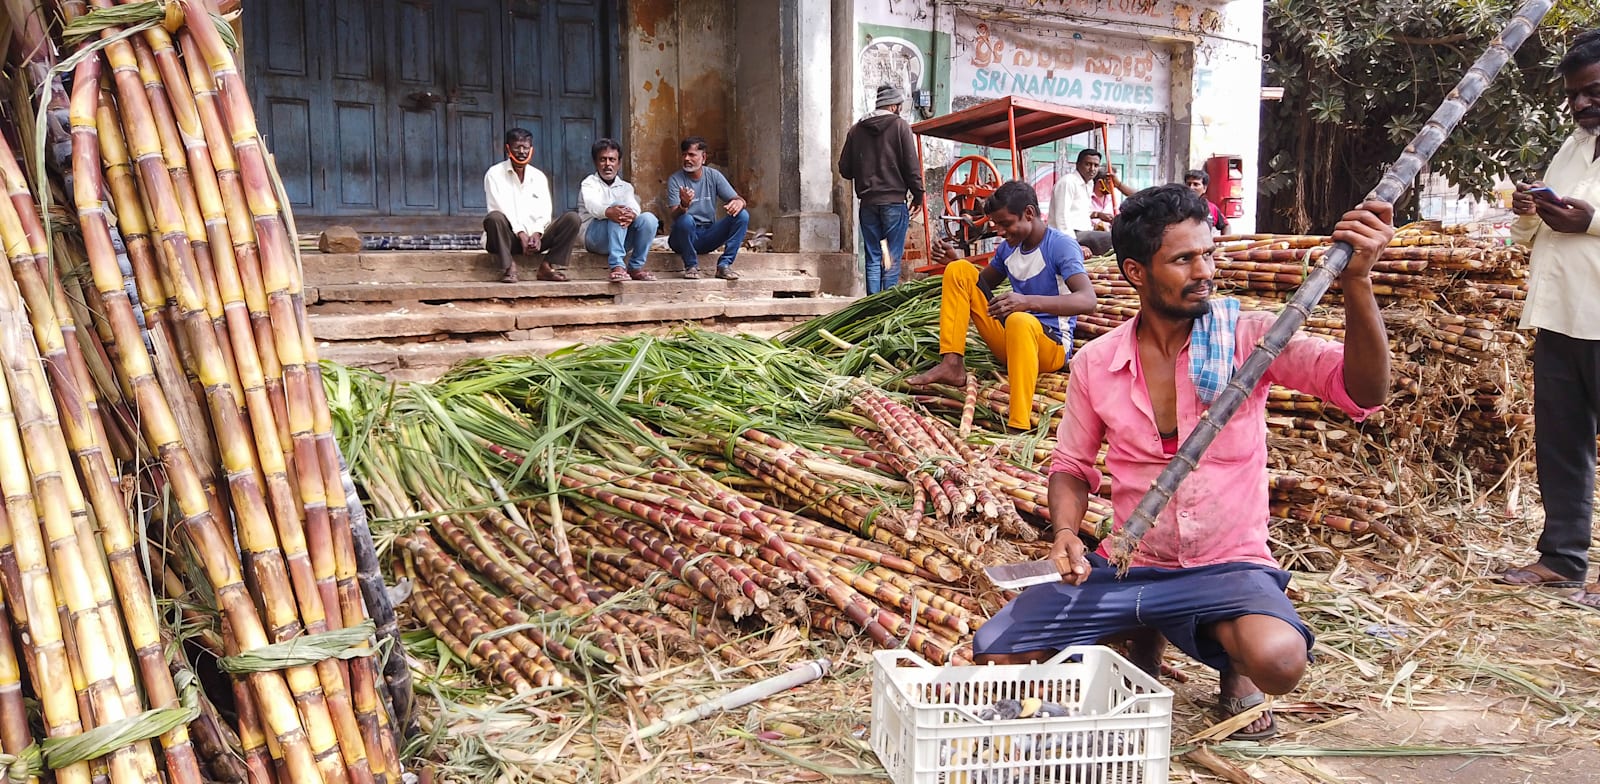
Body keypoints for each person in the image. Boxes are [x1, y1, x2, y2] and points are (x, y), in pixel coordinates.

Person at [973, 184, 1396, 741]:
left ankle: (1233, 664)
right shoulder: (1098, 364)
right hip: (1133, 564)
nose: (1205, 271)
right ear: (1135, 272)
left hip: (1228, 567)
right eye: (1183, 258)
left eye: (1209, 253)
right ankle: (1142, 632)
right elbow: (1072, 466)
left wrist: (1358, 283)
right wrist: (1065, 534)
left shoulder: (1251, 338)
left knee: (1281, 660)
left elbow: (1365, 392)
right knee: (997, 651)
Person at [1495, 30, 1600, 608]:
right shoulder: (1573, 147)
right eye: (1575, 96)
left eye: (1594, 91)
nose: (1583, 104)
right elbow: (1534, 232)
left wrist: (1586, 220)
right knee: (1562, 444)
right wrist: (1530, 209)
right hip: (1561, 316)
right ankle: (1562, 560)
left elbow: (1585, 220)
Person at [906, 180, 1096, 430]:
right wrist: (955, 261)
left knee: (1019, 319)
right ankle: (952, 364)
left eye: (1006, 224)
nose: (1000, 232)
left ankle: (1019, 422)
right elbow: (978, 285)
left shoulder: (1060, 245)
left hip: (1050, 347)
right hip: (1010, 342)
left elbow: (1087, 299)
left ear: (1029, 213)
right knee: (959, 270)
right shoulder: (1008, 249)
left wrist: (1027, 302)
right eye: (996, 225)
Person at [839, 84, 925, 294]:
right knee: (891, 257)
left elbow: (845, 169)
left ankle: (872, 308)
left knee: (874, 256)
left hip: (868, 204)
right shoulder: (900, 126)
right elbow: (911, 165)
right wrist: (918, 193)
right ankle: (887, 309)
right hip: (894, 203)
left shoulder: (856, 130)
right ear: (894, 106)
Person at [483, 128, 580, 284]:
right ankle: (509, 266)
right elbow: (499, 208)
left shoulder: (538, 176)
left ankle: (547, 266)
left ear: (531, 149)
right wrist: (521, 234)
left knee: (572, 219)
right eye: (517, 147)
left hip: (534, 241)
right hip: (507, 239)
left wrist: (537, 234)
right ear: (508, 148)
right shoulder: (494, 174)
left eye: (525, 148)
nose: (522, 152)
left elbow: (545, 210)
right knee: (494, 218)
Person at [666, 136, 749, 280]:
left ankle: (724, 265)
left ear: (703, 157)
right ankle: (691, 266)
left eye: (692, 155)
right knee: (685, 220)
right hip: (682, 238)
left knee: (743, 215)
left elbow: (737, 198)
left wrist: (739, 203)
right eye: (684, 154)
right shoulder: (675, 179)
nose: (687, 158)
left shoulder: (713, 176)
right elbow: (674, 216)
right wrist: (684, 205)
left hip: (708, 235)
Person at [579, 138, 660, 281]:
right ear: (595, 162)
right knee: (617, 208)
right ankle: (617, 265)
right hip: (594, 238)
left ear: (619, 163)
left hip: (620, 237)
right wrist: (610, 211)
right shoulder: (589, 183)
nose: (607, 164)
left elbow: (635, 207)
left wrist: (632, 215)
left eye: (612, 160)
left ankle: (635, 267)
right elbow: (593, 207)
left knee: (649, 219)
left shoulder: (626, 187)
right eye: (603, 160)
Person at [1050, 149, 1133, 255]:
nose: (1092, 169)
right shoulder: (1068, 182)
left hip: (1084, 232)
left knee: (1120, 235)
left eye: (1096, 165)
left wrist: (1099, 215)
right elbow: (1062, 218)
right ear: (1078, 164)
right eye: (1088, 164)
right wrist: (1073, 245)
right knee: (1113, 239)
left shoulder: (1089, 184)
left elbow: (1083, 212)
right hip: (1068, 236)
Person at [1185, 169, 1230, 236]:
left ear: (1204, 188)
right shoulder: (1177, 206)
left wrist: (1224, 241)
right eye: (1188, 184)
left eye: (1196, 184)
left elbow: (1226, 226)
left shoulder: (1211, 208)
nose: (1191, 188)